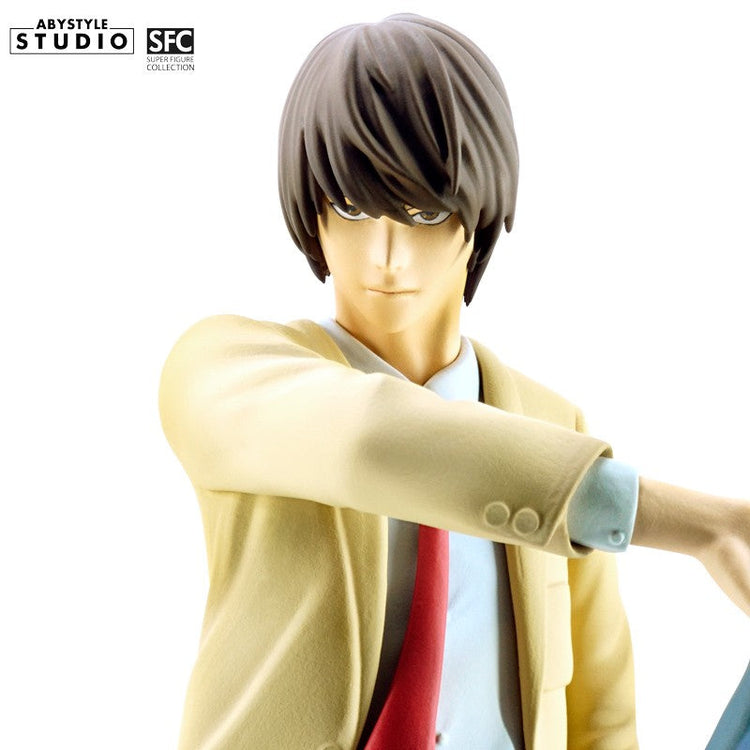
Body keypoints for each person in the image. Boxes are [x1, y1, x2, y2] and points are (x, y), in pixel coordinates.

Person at [159, 13, 750, 750]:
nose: (387, 254)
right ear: (313, 212)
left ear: (477, 216)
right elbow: (371, 439)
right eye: (352, 207)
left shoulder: (554, 428)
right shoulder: (222, 371)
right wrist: (700, 523)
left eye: (424, 212)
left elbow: (599, 710)